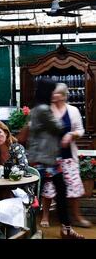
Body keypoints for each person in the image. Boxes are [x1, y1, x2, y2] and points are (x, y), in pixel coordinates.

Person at [28, 78, 84, 239]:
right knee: (41, 195)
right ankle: (57, 229)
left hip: (48, 158)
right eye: (52, 90)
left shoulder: (36, 109)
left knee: (54, 192)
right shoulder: (44, 109)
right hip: (46, 160)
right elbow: (58, 127)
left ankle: (65, 228)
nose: (55, 93)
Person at [40, 83, 91, 228]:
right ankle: (45, 216)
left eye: (55, 93)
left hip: (69, 157)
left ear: (62, 95)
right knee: (48, 188)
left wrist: (72, 134)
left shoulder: (73, 110)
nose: (52, 95)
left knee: (74, 186)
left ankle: (77, 217)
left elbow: (81, 130)